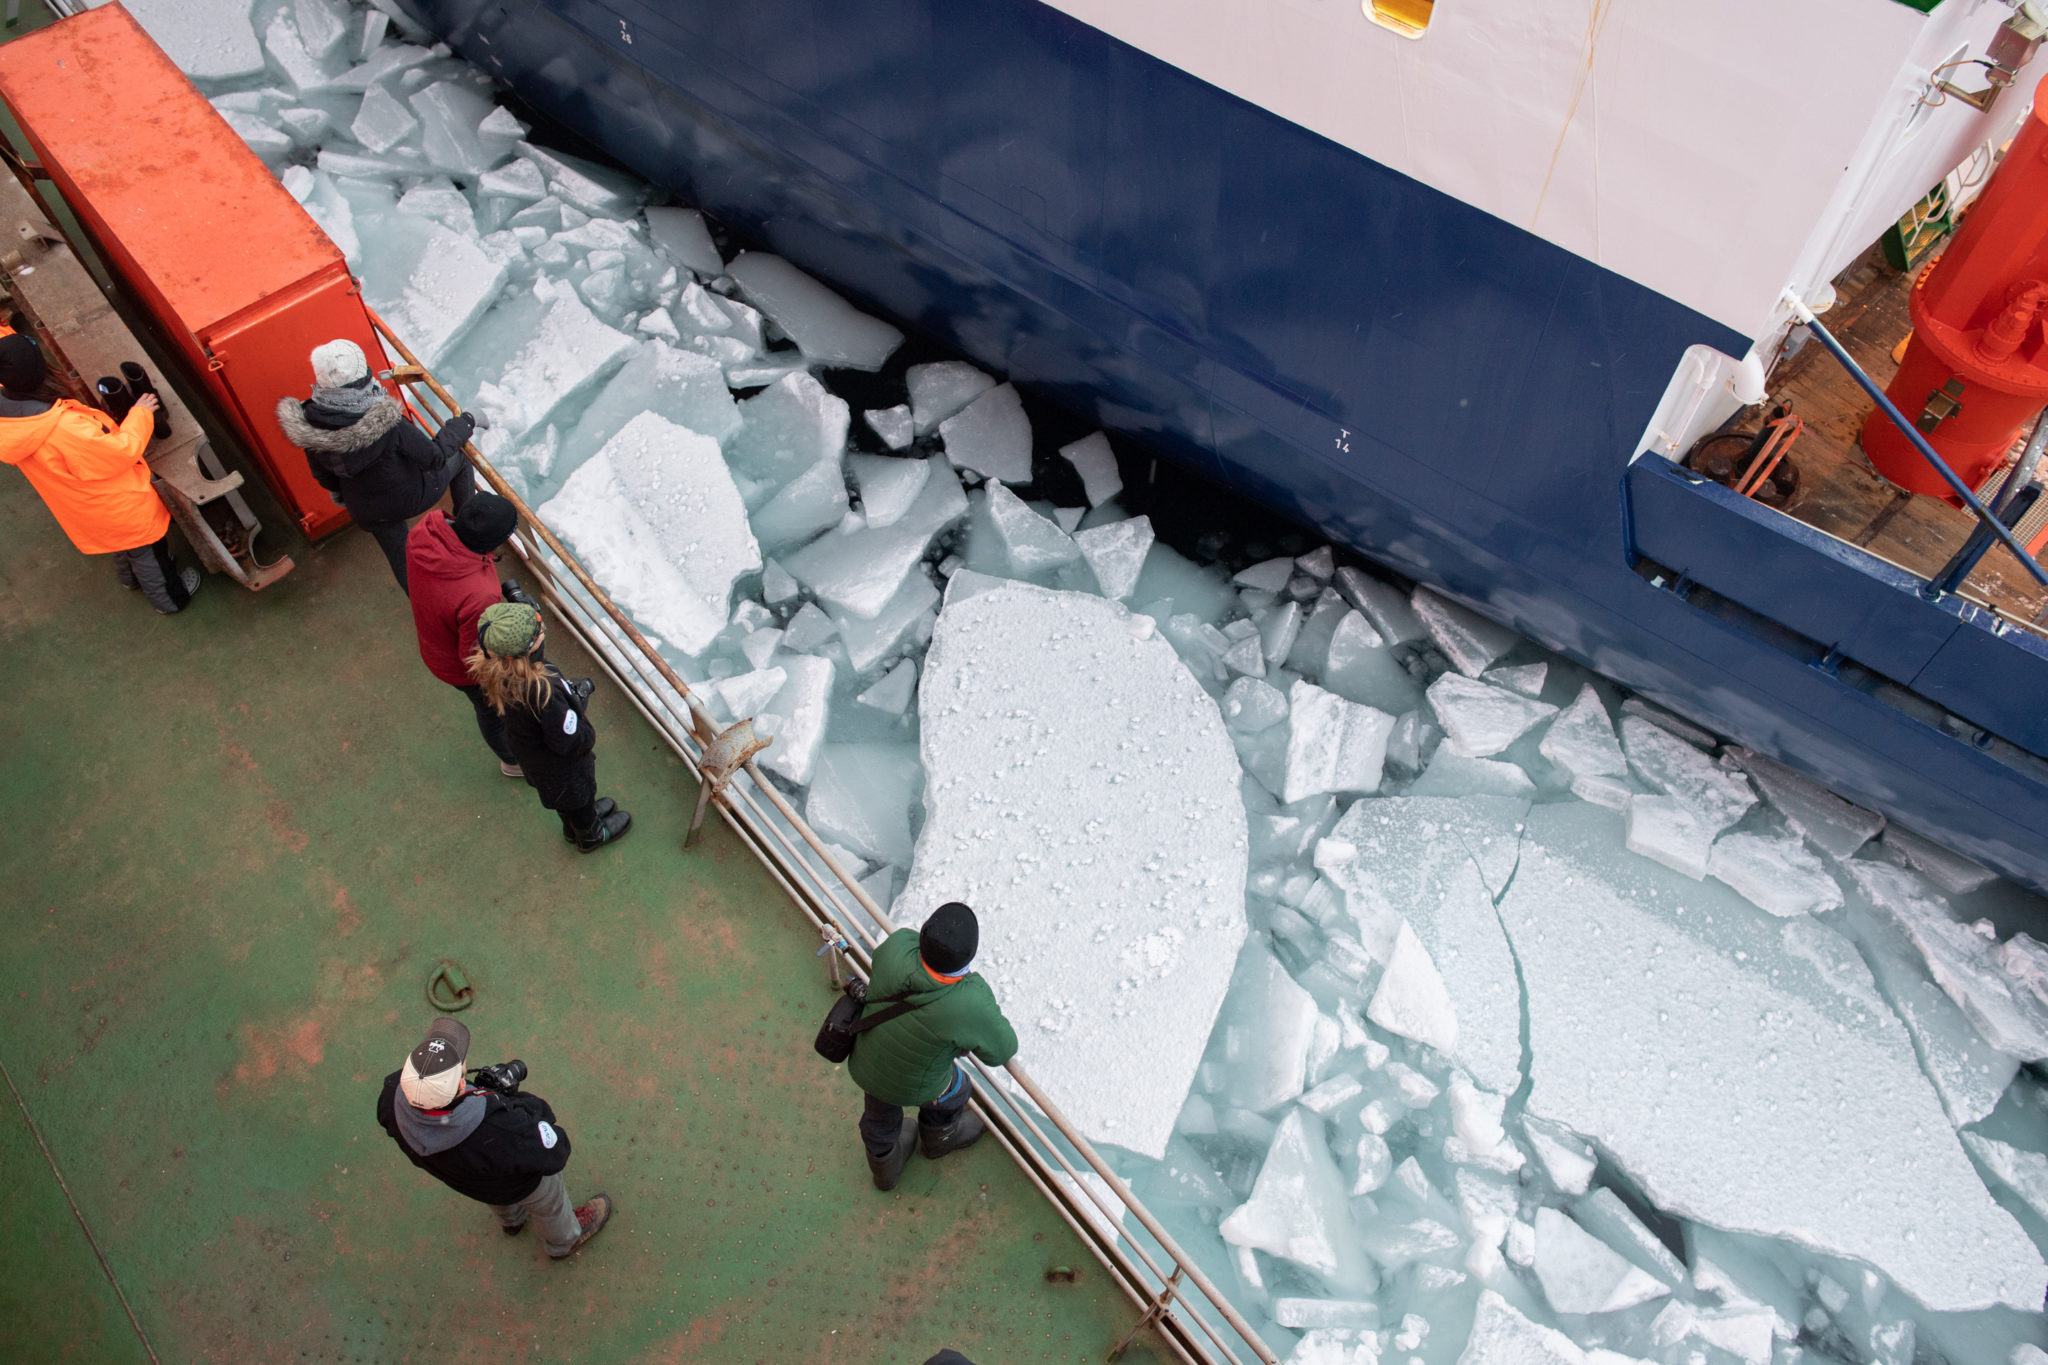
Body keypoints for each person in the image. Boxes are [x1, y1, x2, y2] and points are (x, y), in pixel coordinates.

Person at [374, 1017, 612, 1260]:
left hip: (471, 1181)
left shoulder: (390, 1097)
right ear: (458, 1086)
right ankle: (564, 1242)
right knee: (550, 1203)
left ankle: (512, 1222)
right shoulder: (498, 1129)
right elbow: (556, 1150)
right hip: (520, 1184)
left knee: (494, 1193)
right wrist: (506, 1099)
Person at [0, 333, 196, 614]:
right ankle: (170, 600)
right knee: (149, 551)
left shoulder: (10, 418)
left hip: (86, 509)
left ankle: (130, 580)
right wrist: (141, 414)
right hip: (117, 507)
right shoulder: (63, 427)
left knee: (121, 545)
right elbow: (119, 453)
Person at [273, 338, 477, 593]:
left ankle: (423, 602)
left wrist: (342, 495)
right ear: (364, 377)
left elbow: (323, 475)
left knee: (403, 559)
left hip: (366, 509)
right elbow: (434, 457)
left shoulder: (310, 424)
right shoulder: (387, 420)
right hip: (411, 497)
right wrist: (465, 423)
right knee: (460, 460)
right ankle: (468, 533)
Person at [847, 902, 1018, 1191]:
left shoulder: (898, 944)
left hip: (866, 1059)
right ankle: (939, 1141)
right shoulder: (970, 1001)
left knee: (880, 1115)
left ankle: (885, 1174)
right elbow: (1002, 1050)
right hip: (917, 1084)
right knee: (958, 1089)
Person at [467, 601, 633, 851]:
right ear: (525, 650)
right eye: (538, 632)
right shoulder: (542, 692)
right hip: (563, 770)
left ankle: (572, 828)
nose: (543, 631)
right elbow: (568, 740)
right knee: (578, 797)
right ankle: (591, 835)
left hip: (536, 763)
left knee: (563, 802)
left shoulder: (502, 672)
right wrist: (578, 712)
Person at [406, 490, 530, 777]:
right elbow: (474, 657)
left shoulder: (424, 534)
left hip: (434, 642)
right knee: (492, 711)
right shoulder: (478, 595)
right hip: (458, 667)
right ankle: (513, 762)